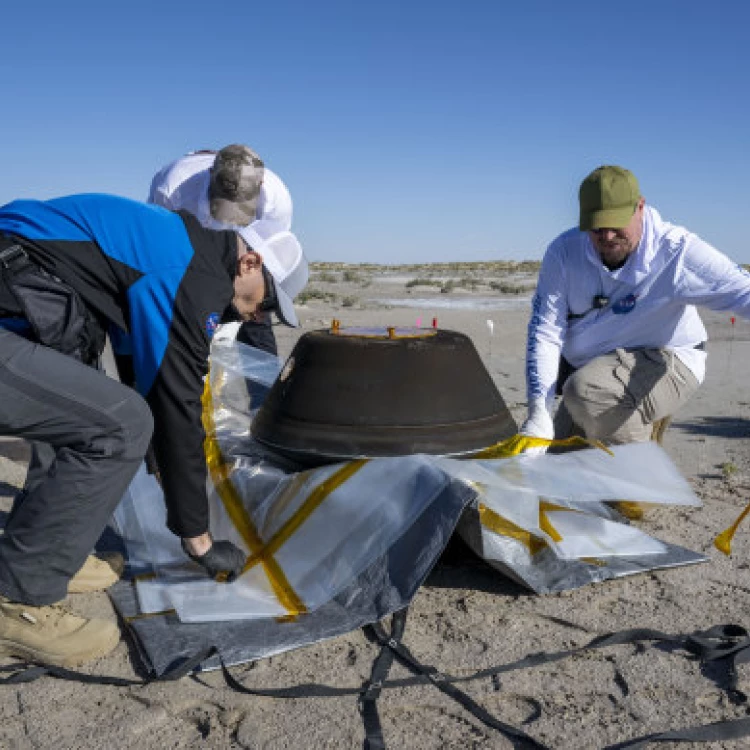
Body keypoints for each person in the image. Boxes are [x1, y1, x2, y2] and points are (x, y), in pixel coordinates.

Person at [0, 194, 305, 667]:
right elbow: (174, 405)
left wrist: (167, 477)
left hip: (17, 288)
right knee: (120, 425)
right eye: (266, 303)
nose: (259, 317)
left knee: (88, 403)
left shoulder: (182, 250)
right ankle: (16, 602)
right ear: (249, 261)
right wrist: (197, 538)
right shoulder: (190, 274)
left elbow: (145, 378)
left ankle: (46, 547)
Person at [521, 165, 750, 448]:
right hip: (595, 370)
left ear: (640, 207)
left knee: (588, 394)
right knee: (558, 462)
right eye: (596, 227)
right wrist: (538, 413)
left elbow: (745, 293)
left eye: (615, 224)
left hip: (669, 358)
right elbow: (545, 331)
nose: (606, 237)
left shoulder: (678, 251)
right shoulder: (564, 252)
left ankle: (643, 487)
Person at [148, 145, 304, 354]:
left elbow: (274, 257)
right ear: (210, 176)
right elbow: (161, 250)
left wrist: (251, 299)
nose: (231, 218)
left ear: (261, 184)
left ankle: (267, 387)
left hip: (245, 263)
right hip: (191, 255)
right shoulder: (172, 189)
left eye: (241, 206)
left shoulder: (277, 200)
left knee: (256, 314)